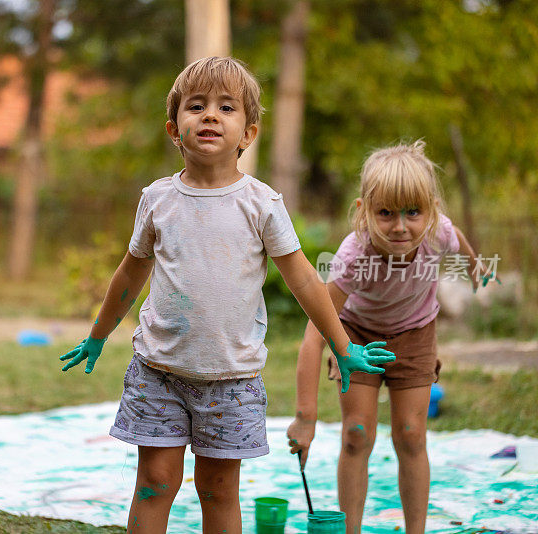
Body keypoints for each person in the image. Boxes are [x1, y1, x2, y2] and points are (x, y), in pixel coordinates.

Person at [59, 56, 395, 534]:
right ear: (175, 129)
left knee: (217, 489)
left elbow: (303, 280)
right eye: (196, 106)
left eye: (226, 107)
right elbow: (131, 274)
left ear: (248, 133)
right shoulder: (157, 200)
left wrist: (343, 347)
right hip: (159, 372)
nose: (210, 115)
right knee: (155, 483)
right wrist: (97, 337)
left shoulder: (262, 204)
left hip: (232, 381)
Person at [286, 141, 490, 533]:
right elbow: (314, 335)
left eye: (413, 212)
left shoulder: (436, 234)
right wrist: (304, 418)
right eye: (386, 213)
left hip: (415, 334)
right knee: (357, 434)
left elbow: (457, 236)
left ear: (431, 211)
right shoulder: (353, 256)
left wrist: (474, 265)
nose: (400, 226)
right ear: (364, 212)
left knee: (411, 435)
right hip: (356, 338)